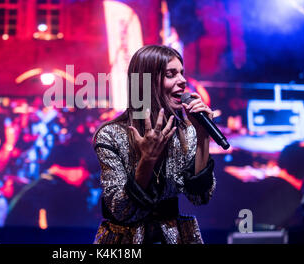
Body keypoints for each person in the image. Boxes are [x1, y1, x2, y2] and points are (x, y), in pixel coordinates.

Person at [92, 44, 216, 244]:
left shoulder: (186, 132)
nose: (183, 80)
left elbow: (200, 197)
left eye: (182, 73)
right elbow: (121, 210)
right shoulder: (111, 135)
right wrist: (147, 159)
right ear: (146, 81)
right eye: (171, 74)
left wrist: (203, 136)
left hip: (175, 237)